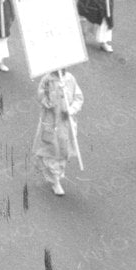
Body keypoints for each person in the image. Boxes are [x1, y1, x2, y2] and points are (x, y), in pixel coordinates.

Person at [34, 68, 84, 196]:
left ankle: (57, 173)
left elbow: (78, 97)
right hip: (51, 121)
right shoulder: (47, 80)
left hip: (66, 122)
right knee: (52, 149)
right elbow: (41, 97)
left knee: (64, 150)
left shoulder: (70, 78)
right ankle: (55, 181)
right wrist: (51, 97)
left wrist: (71, 109)